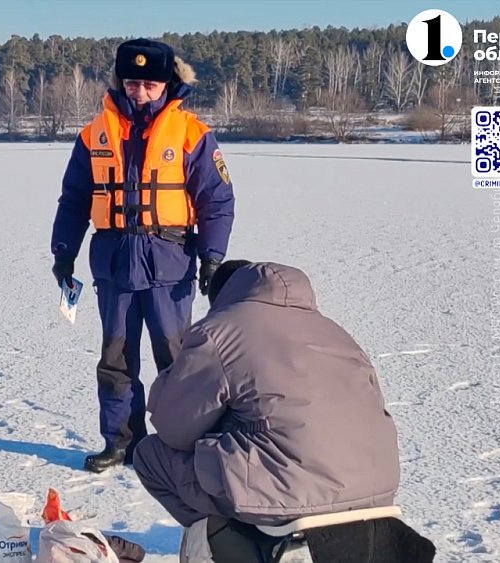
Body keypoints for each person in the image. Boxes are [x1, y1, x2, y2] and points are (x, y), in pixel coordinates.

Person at [50, 38, 235, 473]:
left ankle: (182, 443)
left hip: (168, 262)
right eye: (132, 83)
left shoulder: (192, 133)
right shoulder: (94, 133)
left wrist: (212, 256)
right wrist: (63, 252)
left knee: (176, 360)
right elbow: (74, 199)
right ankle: (121, 442)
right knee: (115, 359)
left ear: (168, 82)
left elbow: (217, 200)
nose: (140, 93)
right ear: (120, 81)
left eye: (150, 84)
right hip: (114, 263)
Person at [132, 261, 402, 542]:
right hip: (377, 490)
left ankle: (231, 546)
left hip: (288, 498)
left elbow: (174, 431)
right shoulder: (336, 332)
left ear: (222, 296)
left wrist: (173, 377)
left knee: (152, 456)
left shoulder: (218, 331)